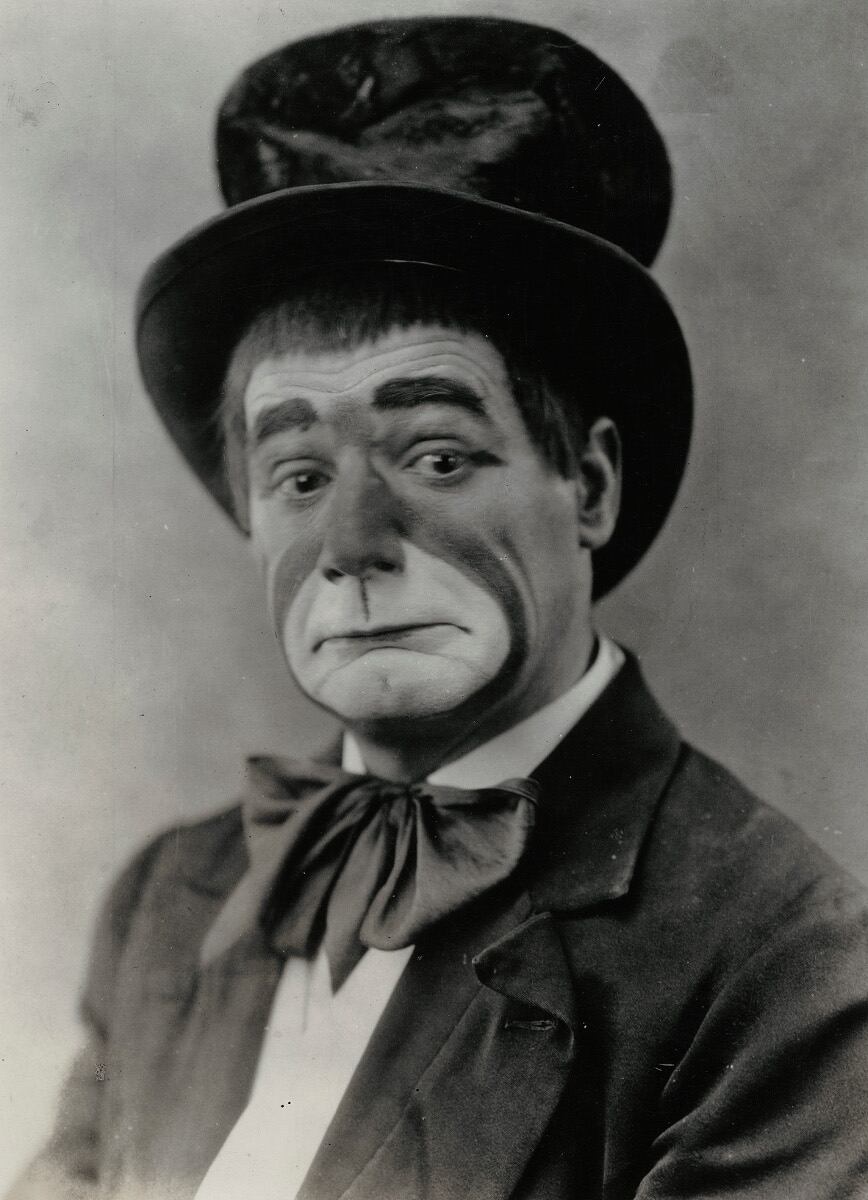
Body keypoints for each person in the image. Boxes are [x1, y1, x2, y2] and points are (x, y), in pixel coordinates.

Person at [10, 16, 868, 1200]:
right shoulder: (168, 900)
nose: (351, 546)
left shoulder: (783, 962)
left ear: (589, 486)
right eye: (298, 476)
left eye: (437, 456)